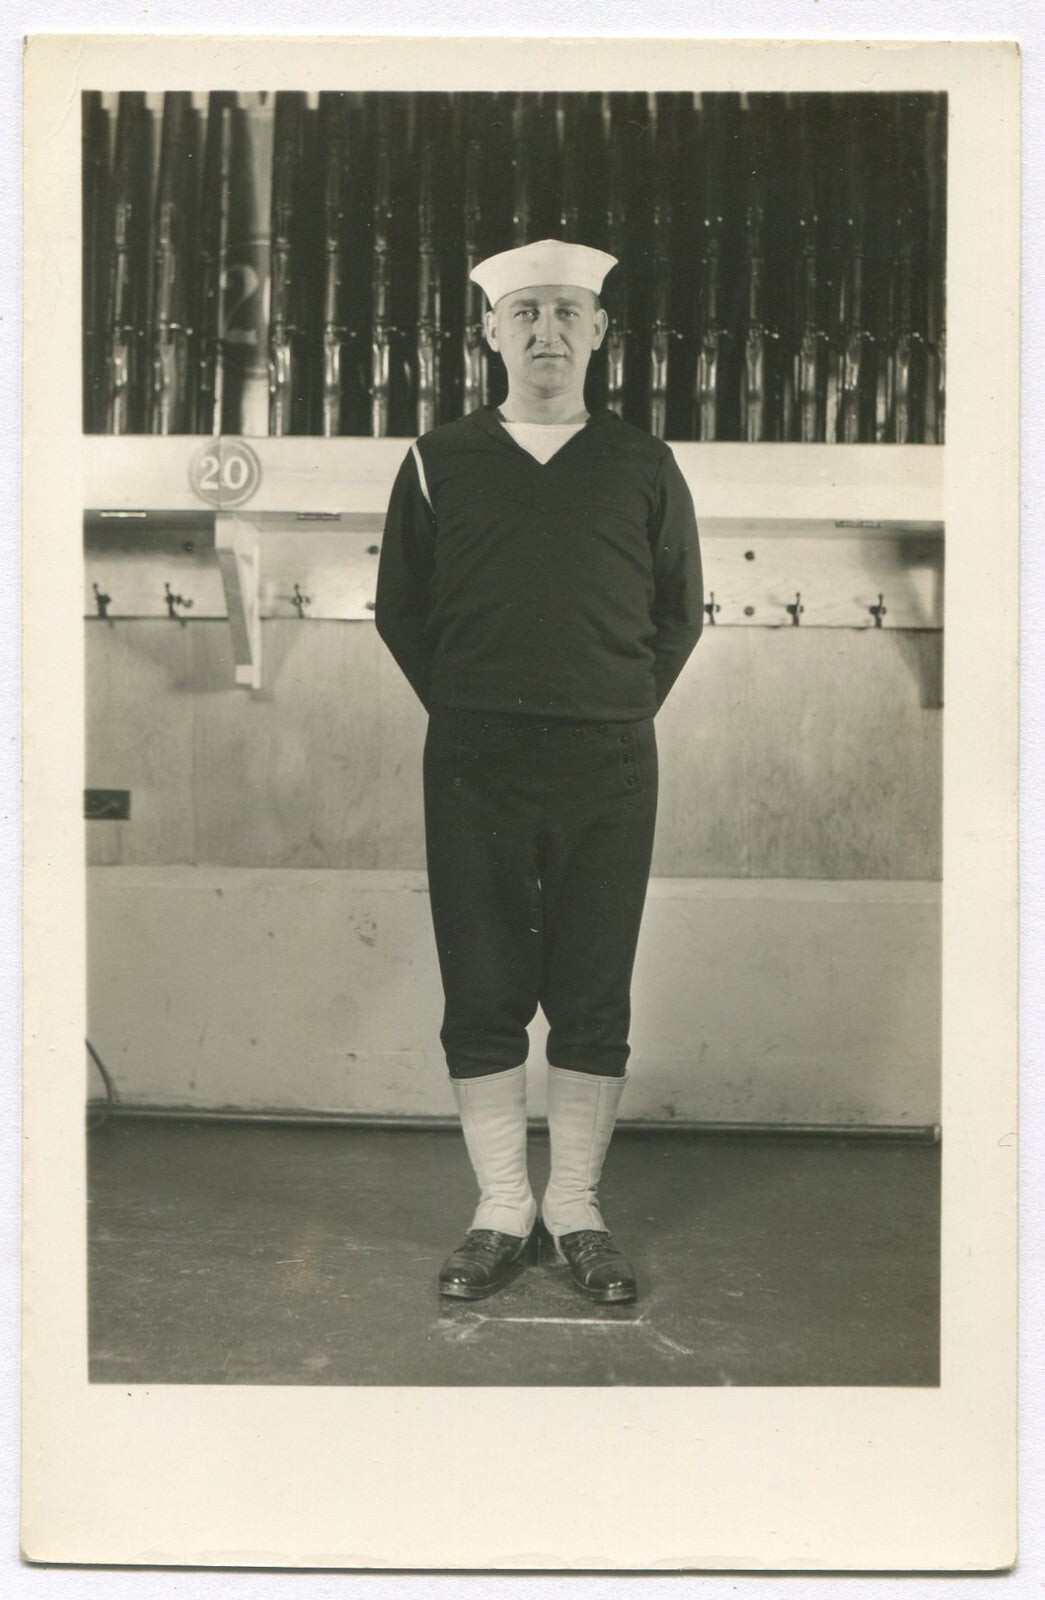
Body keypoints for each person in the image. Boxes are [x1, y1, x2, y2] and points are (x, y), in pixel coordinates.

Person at [375, 238, 703, 1306]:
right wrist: (478, 709)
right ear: (489, 332)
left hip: (610, 758)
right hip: (472, 760)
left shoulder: (645, 464)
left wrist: (605, 705)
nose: (547, 332)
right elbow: (402, 611)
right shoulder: (436, 459)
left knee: (590, 987)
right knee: (482, 985)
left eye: (567, 312)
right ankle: (500, 1206)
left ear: (600, 330)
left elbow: (675, 614)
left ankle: (576, 1210)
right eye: (525, 315)